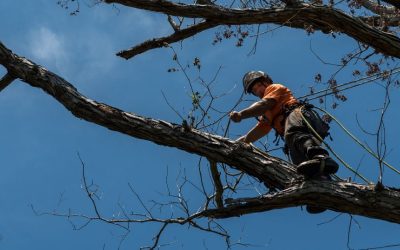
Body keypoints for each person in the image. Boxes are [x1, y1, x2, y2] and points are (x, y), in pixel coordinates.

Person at [229, 70, 339, 213]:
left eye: (258, 87)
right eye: (254, 91)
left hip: (299, 117)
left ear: (266, 82)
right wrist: (243, 141)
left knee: (293, 133)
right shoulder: (267, 114)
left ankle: (321, 157)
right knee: (301, 166)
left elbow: (264, 104)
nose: (257, 91)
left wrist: (241, 115)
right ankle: (321, 190)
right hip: (296, 138)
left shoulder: (274, 89)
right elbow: (262, 128)